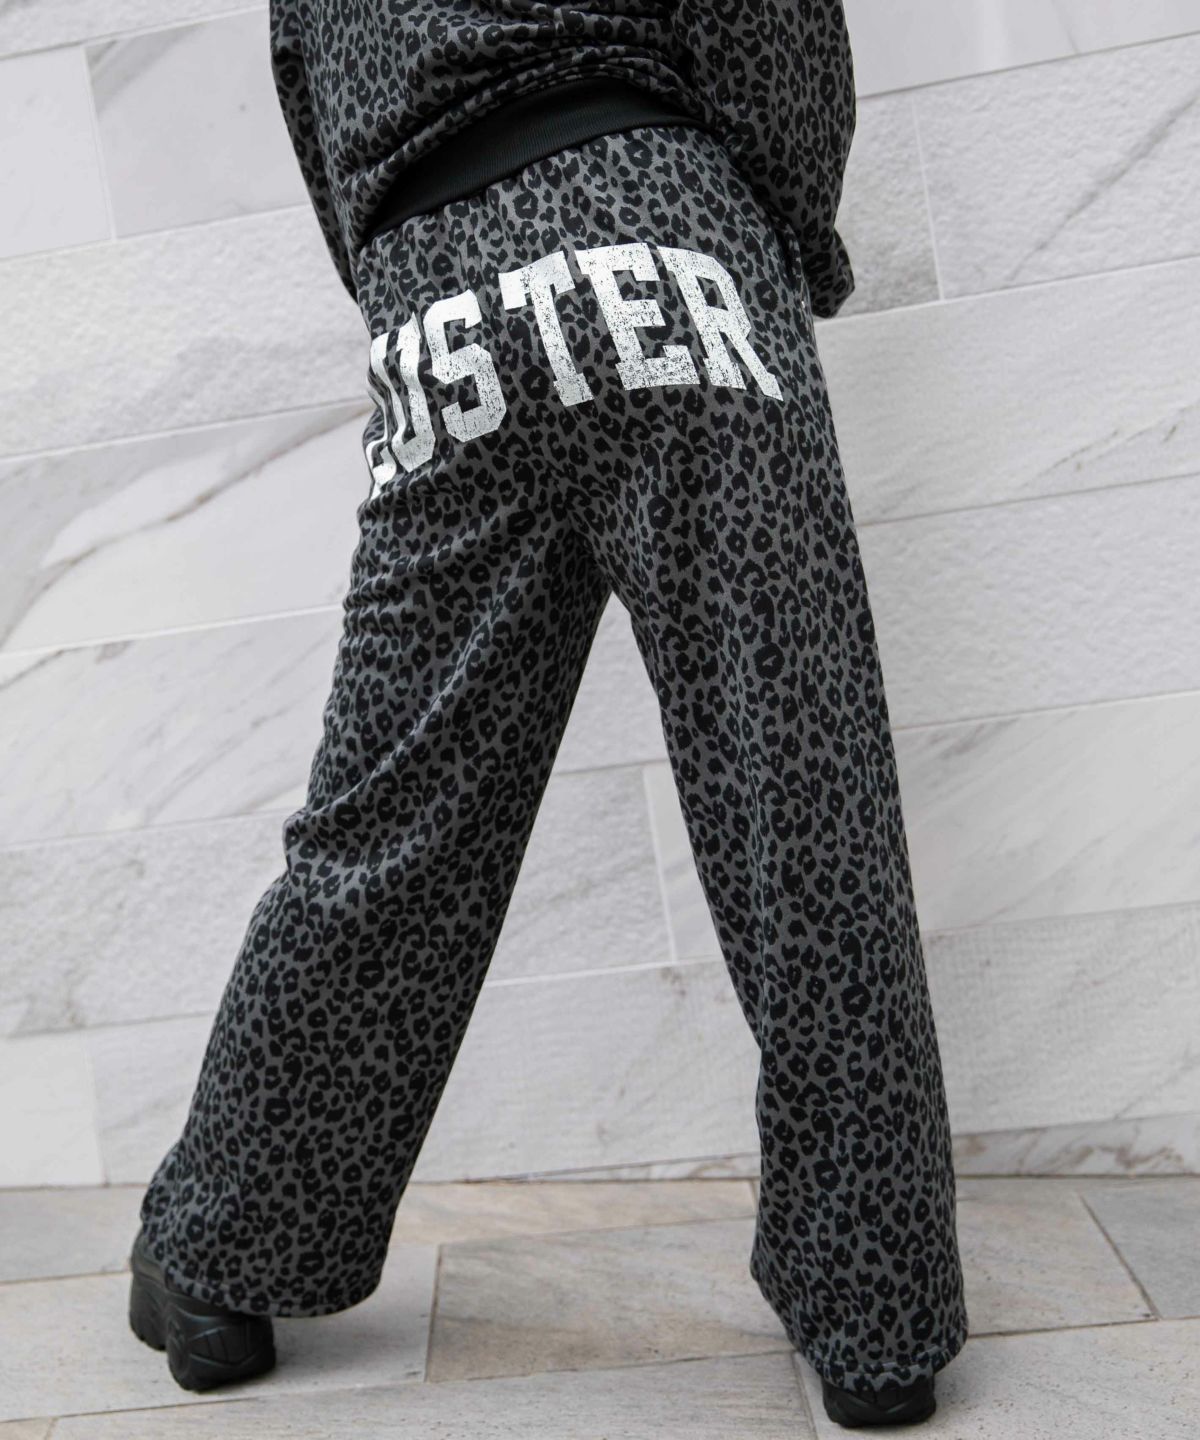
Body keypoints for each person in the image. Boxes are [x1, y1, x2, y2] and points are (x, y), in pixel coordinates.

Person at [128, 1, 969, 1427]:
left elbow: (312, 94)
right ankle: (874, 1315)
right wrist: (781, 238)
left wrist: (411, 287)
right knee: (798, 784)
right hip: (665, 229)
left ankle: (221, 1254)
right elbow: (767, 31)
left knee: (392, 820)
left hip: (438, 290)